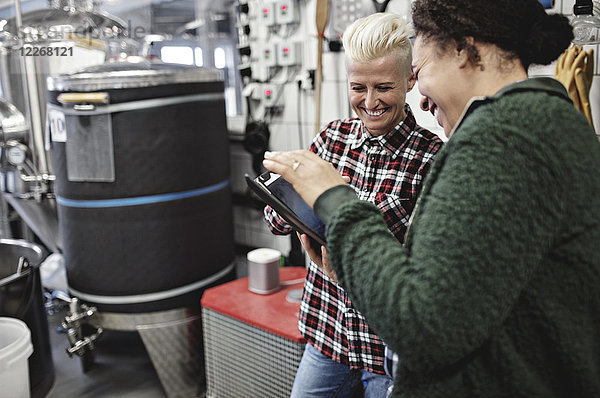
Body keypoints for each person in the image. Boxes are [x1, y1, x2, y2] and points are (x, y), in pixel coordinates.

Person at [262, 0, 600, 397]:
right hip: (332, 338)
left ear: (462, 48)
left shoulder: (503, 141)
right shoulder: (539, 123)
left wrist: (336, 202)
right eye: (359, 86)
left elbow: (421, 321)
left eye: (418, 73)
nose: (422, 97)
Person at [263, 13, 443, 398]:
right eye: (358, 87)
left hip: (388, 351)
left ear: (410, 79)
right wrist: (284, 199)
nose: (371, 101)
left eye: (384, 87)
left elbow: (426, 271)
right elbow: (276, 224)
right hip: (328, 334)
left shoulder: (431, 159)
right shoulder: (331, 140)